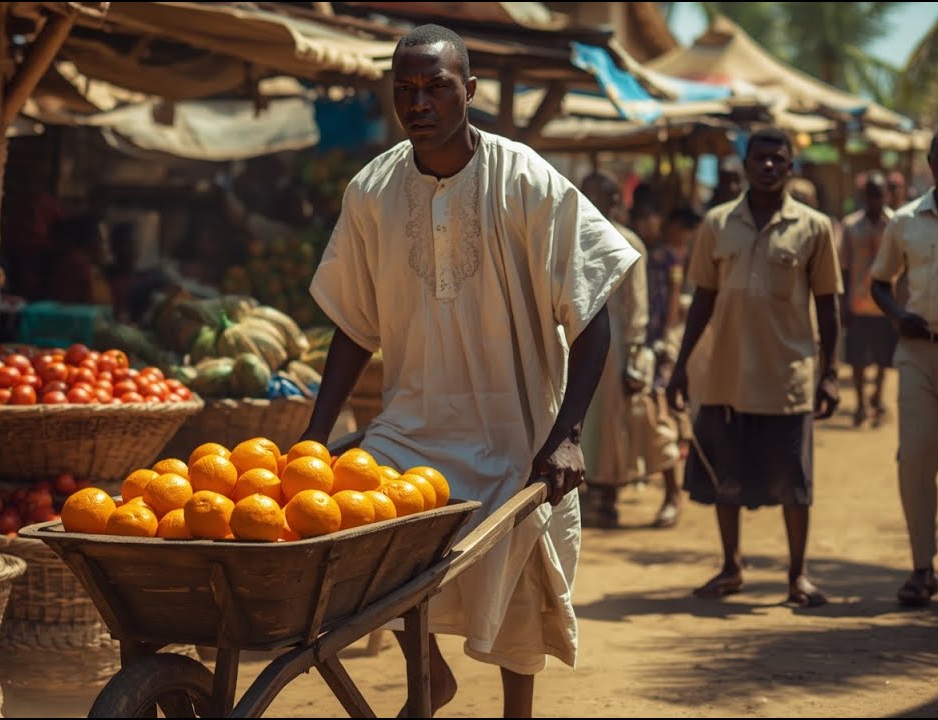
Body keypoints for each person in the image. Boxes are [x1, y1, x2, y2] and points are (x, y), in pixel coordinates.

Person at [300, 24, 639, 717]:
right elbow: (353, 325)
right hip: (410, 431)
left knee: (522, 592)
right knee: (368, 547)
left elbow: (592, 312)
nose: (419, 103)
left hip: (516, 433)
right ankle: (430, 678)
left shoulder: (525, 179)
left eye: (436, 86)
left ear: (470, 90)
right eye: (405, 90)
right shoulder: (372, 190)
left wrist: (566, 435)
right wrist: (313, 434)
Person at [667, 127, 842, 608]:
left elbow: (828, 304)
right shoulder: (717, 223)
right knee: (726, 477)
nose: (768, 166)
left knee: (795, 481)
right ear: (746, 165)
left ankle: (798, 575)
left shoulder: (814, 227)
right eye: (760, 158)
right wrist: (681, 367)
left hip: (787, 376)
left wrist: (830, 373)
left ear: (790, 167)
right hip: (725, 373)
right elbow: (703, 298)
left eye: (777, 159)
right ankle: (731, 566)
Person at [869, 123, 938, 607]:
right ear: (930, 161)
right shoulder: (905, 221)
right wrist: (899, 316)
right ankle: (923, 568)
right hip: (919, 354)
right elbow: (879, 283)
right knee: (917, 457)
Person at [576, 172, 652, 529]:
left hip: (614, 342)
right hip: (574, 335)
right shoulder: (572, 235)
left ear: (614, 200)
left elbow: (637, 301)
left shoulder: (628, 241)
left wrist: (634, 350)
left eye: (598, 195)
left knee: (608, 423)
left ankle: (606, 496)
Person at [642, 207, 704, 527]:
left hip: (659, 343)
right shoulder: (664, 254)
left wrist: (665, 338)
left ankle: (672, 493)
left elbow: (672, 300)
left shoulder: (670, 257)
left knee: (660, 409)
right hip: (653, 340)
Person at [841, 173, 897, 427]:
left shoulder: (896, 223)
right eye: (871, 194)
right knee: (857, 358)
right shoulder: (851, 225)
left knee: (885, 357)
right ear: (864, 196)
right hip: (859, 302)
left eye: (879, 194)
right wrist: (843, 303)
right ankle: (860, 404)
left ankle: (878, 396)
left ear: (886, 195)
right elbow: (844, 267)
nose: (875, 199)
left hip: (887, 304)